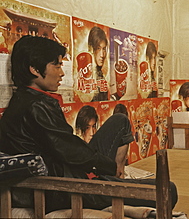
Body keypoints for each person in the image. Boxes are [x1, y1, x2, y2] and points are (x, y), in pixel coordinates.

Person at [0, 36, 177, 212]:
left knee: (120, 120)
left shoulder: (27, 99)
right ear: (34, 69)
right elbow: (70, 151)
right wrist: (108, 166)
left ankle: (116, 179)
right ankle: (113, 183)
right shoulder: (35, 105)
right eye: (57, 65)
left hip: (67, 170)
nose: (62, 73)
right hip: (63, 186)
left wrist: (104, 166)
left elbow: (68, 147)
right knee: (168, 190)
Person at [88, 26, 109, 102]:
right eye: (98, 48)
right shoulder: (87, 75)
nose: (102, 55)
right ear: (91, 48)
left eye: (104, 49)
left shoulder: (100, 74)